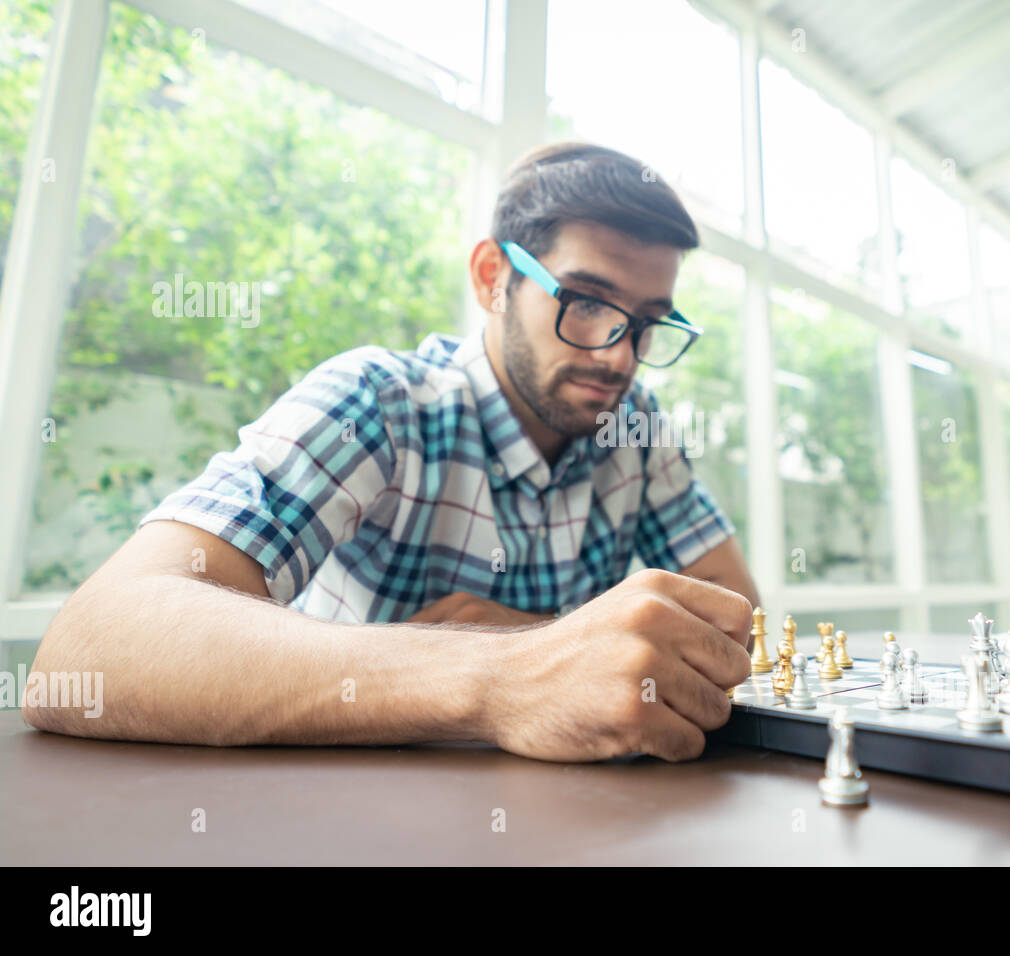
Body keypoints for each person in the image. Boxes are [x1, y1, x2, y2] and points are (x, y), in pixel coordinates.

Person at [24, 142, 760, 762]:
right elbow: (90, 647)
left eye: (648, 322)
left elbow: (738, 623)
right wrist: (505, 672)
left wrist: (539, 640)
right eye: (587, 302)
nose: (618, 355)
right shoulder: (377, 403)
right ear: (493, 279)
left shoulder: (636, 428)